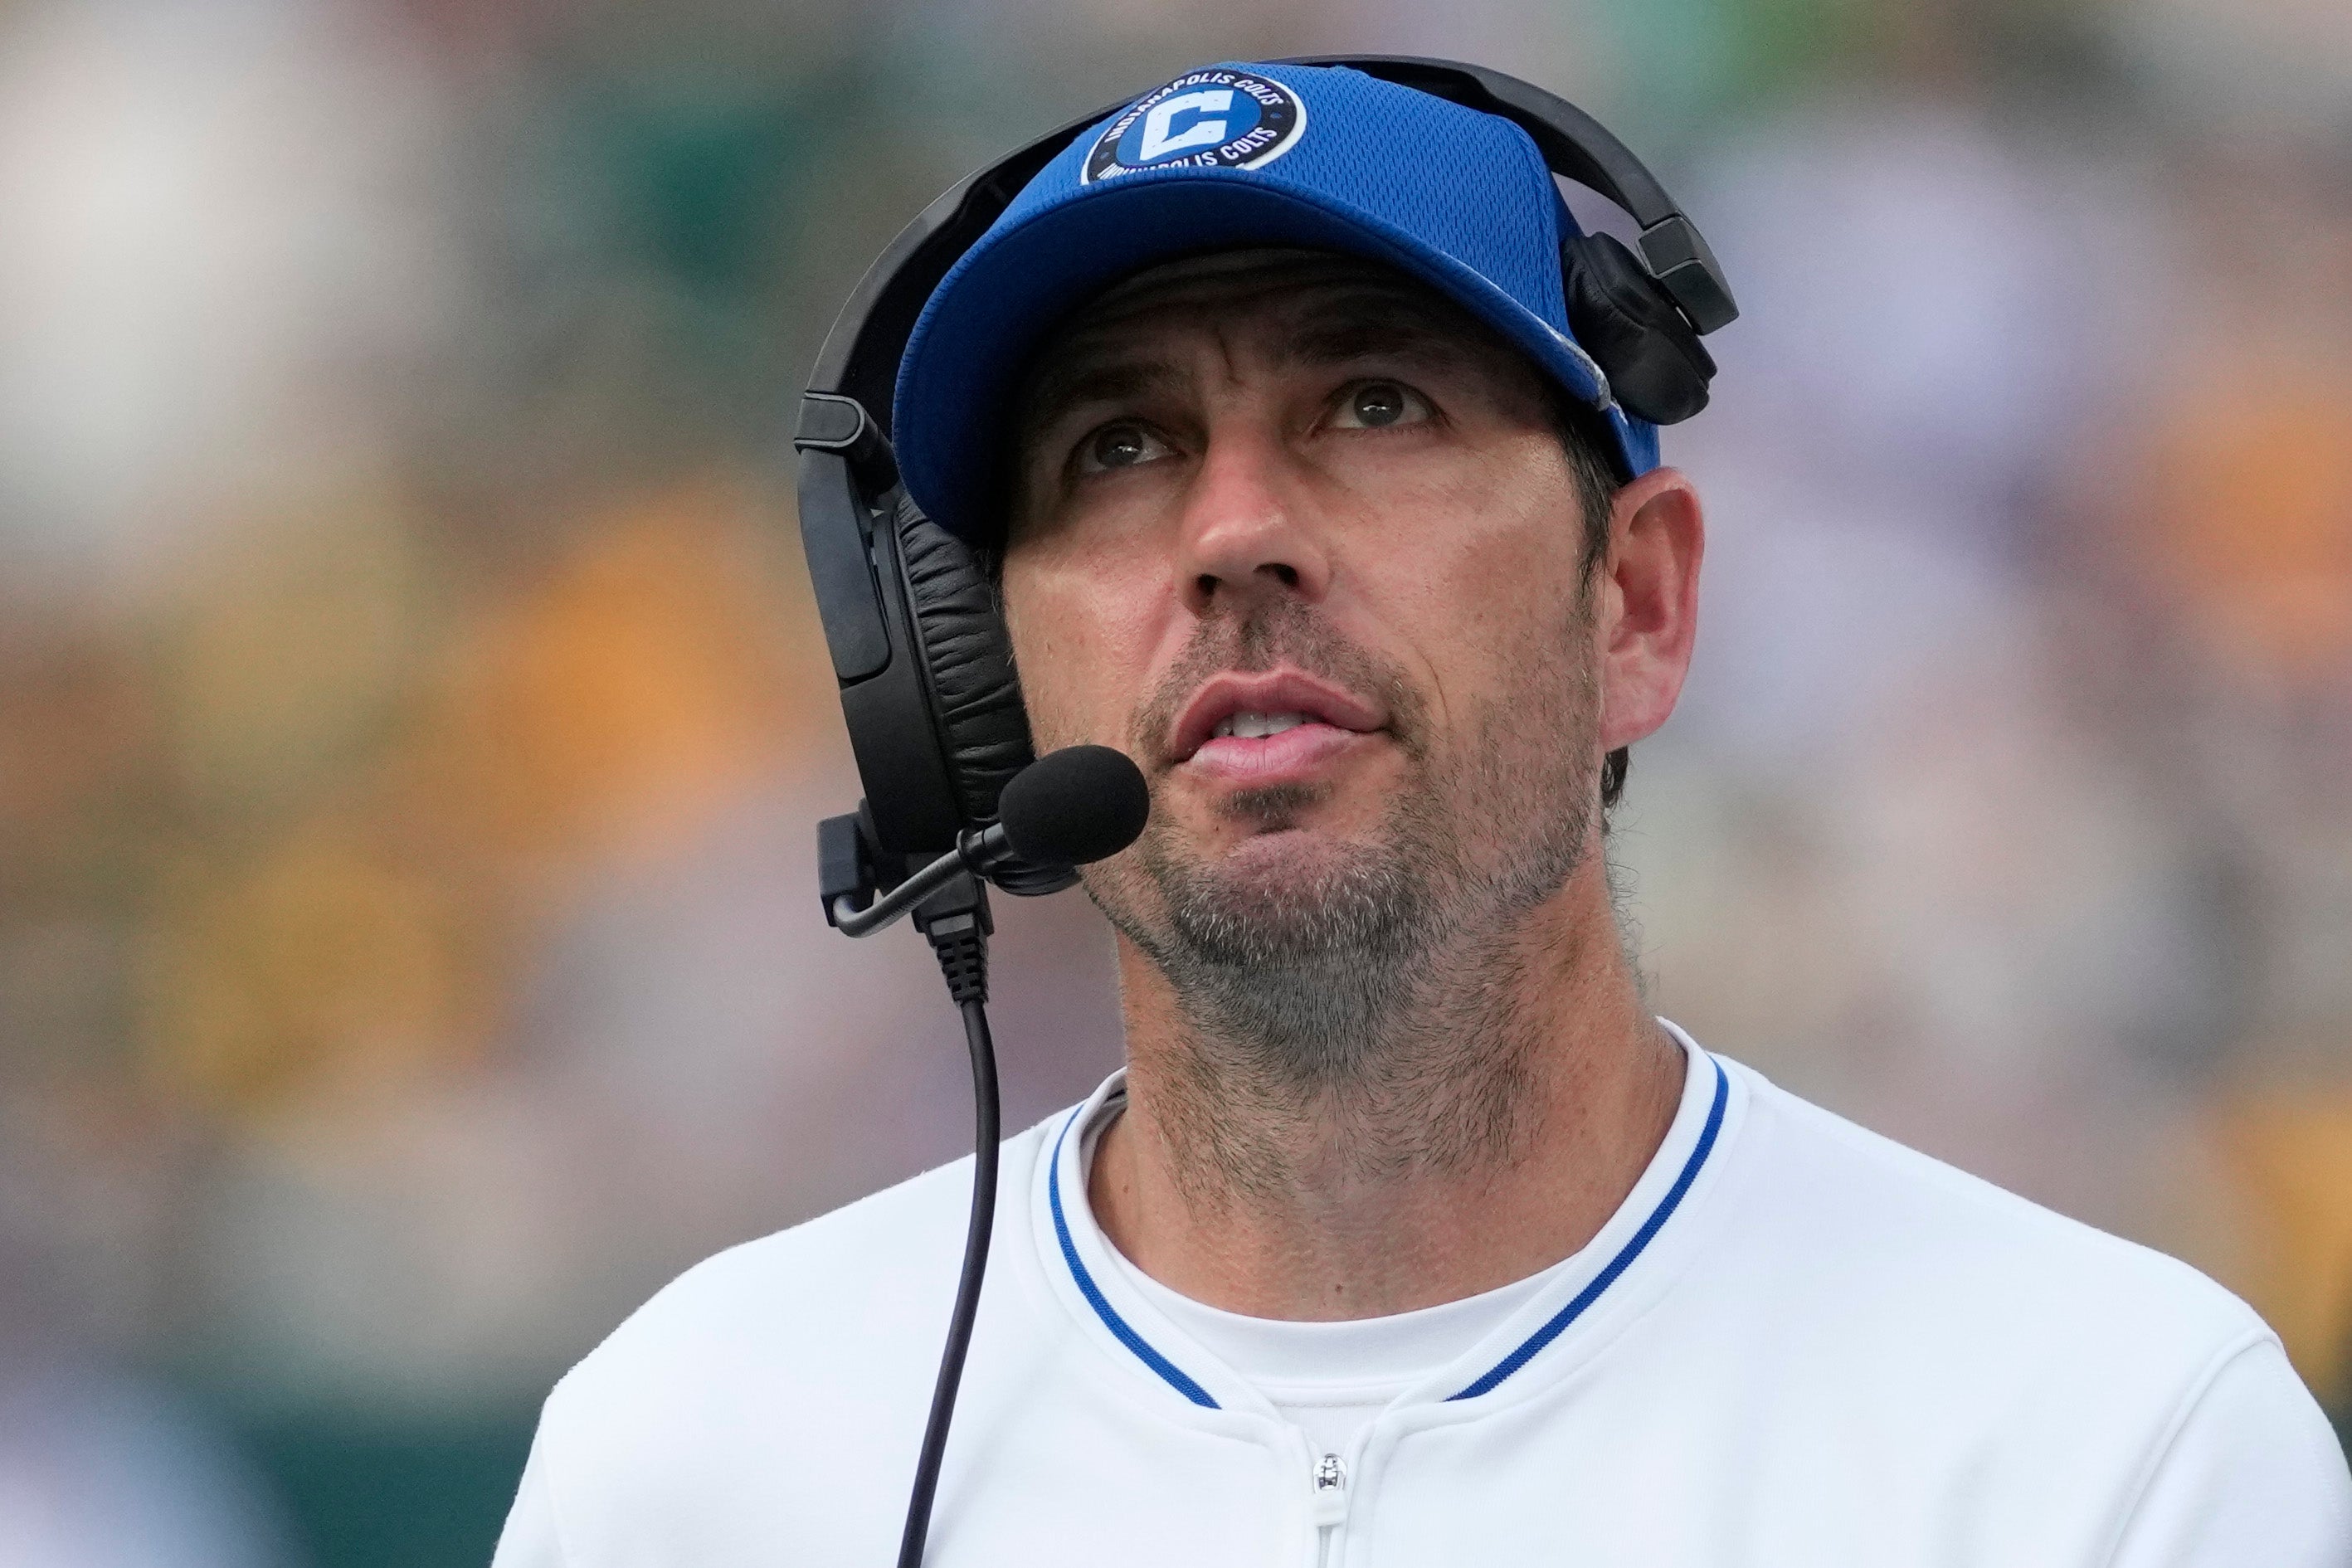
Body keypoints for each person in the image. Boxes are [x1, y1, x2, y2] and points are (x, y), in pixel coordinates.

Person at [492, 60, 2352, 1566]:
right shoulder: (696, 1460)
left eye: (1371, 405)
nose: (1230, 535)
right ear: (982, 691)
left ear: (1632, 606)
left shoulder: (2103, 1446)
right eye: (1114, 447)